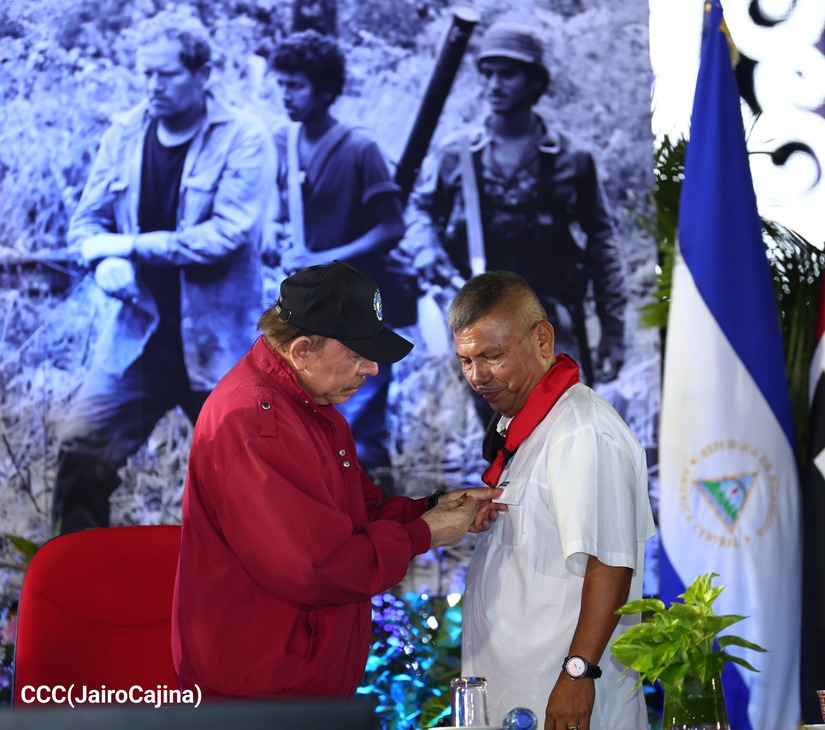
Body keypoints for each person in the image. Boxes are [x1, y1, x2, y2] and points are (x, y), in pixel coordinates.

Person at [171, 260, 502, 699]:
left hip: (294, 679)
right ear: (303, 349)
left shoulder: (309, 406)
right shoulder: (256, 423)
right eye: (357, 354)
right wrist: (423, 533)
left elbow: (358, 514)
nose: (372, 369)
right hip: (261, 691)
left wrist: (432, 507)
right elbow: (316, 568)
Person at [53, 10, 275, 534]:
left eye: (167, 74)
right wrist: (105, 260)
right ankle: (81, 589)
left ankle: (255, 599)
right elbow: (85, 224)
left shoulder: (243, 137)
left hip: (219, 346)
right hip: (139, 337)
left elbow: (226, 236)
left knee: (251, 483)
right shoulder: (125, 133)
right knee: (80, 450)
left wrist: (127, 245)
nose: (153, 85)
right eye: (146, 73)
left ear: (202, 75)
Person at [448, 271, 654, 729]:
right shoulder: (531, 427)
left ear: (542, 340)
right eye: (466, 360)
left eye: (493, 357)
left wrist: (578, 673)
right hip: (517, 695)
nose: (477, 377)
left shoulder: (583, 430)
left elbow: (610, 561)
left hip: (562, 699)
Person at [407, 21, 626, 388]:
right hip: (478, 319)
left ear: (535, 82)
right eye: (487, 74)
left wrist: (613, 331)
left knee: (558, 422)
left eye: (507, 74)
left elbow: (602, 243)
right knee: (498, 432)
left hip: (549, 320)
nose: (494, 85)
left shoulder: (572, 158)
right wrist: (429, 253)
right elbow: (419, 210)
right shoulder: (457, 154)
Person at [267, 30, 415, 493]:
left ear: (328, 90)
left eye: (298, 86)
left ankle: (380, 524)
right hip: (305, 309)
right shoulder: (281, 143)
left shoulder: (360, 149)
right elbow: (276, 212)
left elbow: (391, 227)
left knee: (360, 423)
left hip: (357, 306)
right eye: (282, 84)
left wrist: (323, 257)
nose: (286, 95)